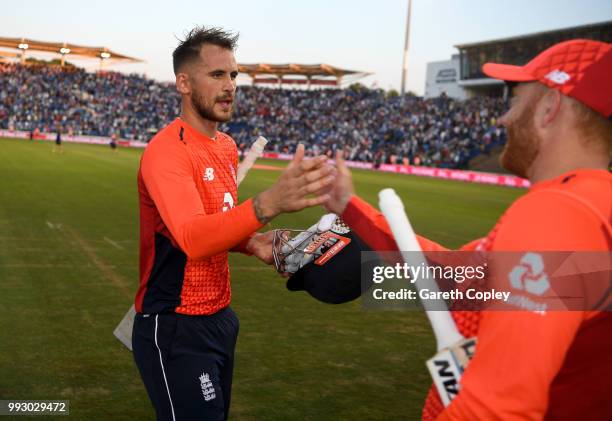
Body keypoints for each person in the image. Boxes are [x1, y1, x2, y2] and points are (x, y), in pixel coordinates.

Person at [324, 39, 611, 420]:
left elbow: (495, 408)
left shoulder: (557, 212)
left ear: (548, 108)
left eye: (514, 101)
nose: (504, 119)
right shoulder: (590, 207)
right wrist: (350, 207)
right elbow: (455, 272)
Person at [132, 26, 334, 421]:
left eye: (234, 75)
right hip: (175, 323)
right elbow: (191, 237)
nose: (230, 86)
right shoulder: (166, 151)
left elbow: (215, 222)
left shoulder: (226, 147)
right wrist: (267, 203)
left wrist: (252, 242)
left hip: (220, 318)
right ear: (184, 83)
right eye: (217, 75)